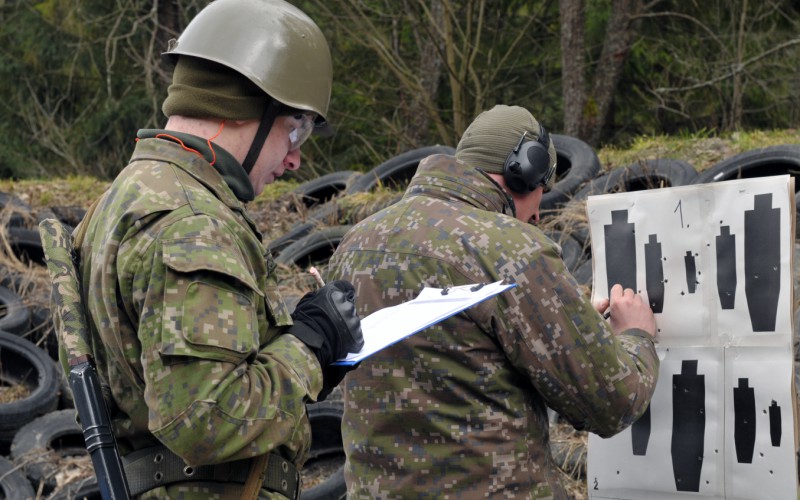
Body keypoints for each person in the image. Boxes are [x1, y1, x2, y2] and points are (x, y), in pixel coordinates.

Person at [68, 1, 363, 498]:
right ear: (244, 108)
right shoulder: (192, 223)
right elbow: (206, 420)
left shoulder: (131, 195)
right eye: (295, 128)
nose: (295, 158)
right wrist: (310, 345)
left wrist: (308, 361)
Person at [326, 104, 660, 498]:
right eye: (542, 190)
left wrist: (567, 327)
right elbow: (612, 402)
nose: (537, 215)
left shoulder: (354, 244)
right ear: (526, 170)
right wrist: (635, 336)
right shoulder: (511, 248)